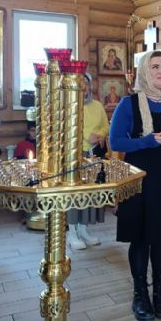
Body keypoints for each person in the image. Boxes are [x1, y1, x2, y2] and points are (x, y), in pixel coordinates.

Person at [109, 51, 161, 321]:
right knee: (140, 236)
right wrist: (148, 141)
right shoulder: (129, 104)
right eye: (155, 66)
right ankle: (140, 293)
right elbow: (116, 142)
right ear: (145, 71)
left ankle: (159, 292)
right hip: (138, 178)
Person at [67, 73, 109, 250]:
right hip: (75, 154)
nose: (84, 87)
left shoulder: (97, 105)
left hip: (94, 153)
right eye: (80, 83)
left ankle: (83, 229)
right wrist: (87, 136)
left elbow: (105, 125)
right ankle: (71, 232)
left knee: (89, 193)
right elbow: (69, 126)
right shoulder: (69, 105)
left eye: (86, 83)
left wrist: (99, 135)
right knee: (75, 193)